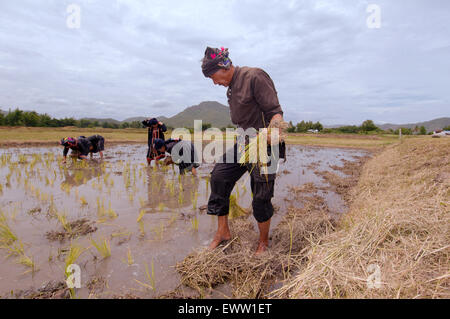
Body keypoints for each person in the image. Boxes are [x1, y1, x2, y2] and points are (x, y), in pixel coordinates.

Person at [201, 46, 287, 255]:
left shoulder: (254, 76)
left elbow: (276, 114)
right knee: (219, 176)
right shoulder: (231, 88)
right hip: (244, 142)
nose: (214, 82)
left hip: (265, 145)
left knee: (260, 195)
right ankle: (223, 232)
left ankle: (263, 242)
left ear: (223, 67)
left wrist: (272, 133)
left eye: (214, 77)